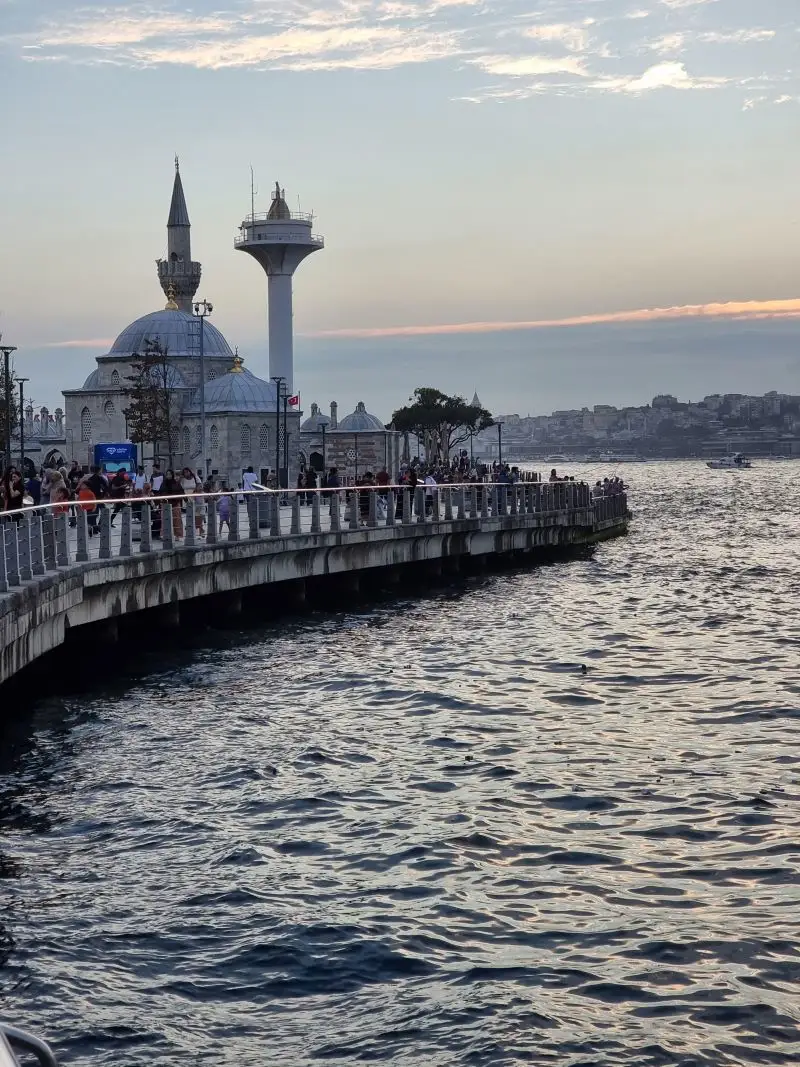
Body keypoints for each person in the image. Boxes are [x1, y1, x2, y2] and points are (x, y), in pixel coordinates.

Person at [159, 470, 183, 538]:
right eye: (167, 474)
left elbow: (181, 492)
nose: (168, 476)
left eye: (170, 474)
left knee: (177, 520)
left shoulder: (176, 483)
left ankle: (178, 535)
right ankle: (164, 534)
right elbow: (160, 493)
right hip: (165, 504)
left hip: (175, 504)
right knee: (165, 520)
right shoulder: (163, 483)